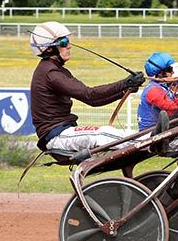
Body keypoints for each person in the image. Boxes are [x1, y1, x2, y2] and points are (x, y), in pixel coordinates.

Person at [29, 21, 146, 153]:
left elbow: (93, 101)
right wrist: (125, 84)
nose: (69, 46)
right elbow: (90, 96)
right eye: (63, 43)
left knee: (107, 133)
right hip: (56, 136)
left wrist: (124, 90)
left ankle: (151, 137)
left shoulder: (56, 70)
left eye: (68, 41)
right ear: (49, 49)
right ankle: (151, 140)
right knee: (103, 134)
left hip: (62, 132)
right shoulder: (51, 73)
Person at [137, 52, 178, 154]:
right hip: (150, 135)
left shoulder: (164, 88)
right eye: (170, 70)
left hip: (163, 133)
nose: (173, 73)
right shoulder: (153, 90)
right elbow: (174, 111)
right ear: (161, 73)